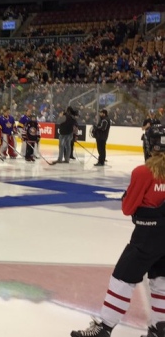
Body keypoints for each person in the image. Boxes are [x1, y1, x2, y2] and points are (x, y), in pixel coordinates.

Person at [71, 124, 165, 337]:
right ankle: (160, 329)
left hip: (147, 237)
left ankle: (103, 328)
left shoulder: (143, 172)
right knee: (161, 281)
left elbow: (127, 208)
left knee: (122, 278)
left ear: (150, 144)